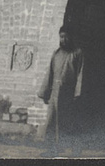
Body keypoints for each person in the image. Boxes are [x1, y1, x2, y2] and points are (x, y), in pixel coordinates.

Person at [38, 26, 84, 155]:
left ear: (71, 37)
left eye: (66, 37)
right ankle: (52, 149)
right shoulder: (56, 54)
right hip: (54, 93)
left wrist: (77, 93)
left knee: (66, 122)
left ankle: (73, 148)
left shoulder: (77, 53)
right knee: (51, 120)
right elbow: (49, 74)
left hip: (68, 94)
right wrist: (45, 93)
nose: (64, 40)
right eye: (61, 37)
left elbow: (80, 74)